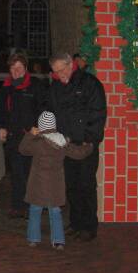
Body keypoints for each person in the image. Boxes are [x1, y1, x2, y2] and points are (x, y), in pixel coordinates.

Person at [46, 52, 106, 241]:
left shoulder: (90, 83)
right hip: (65, 144)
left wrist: (89, 139)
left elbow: (98, 113)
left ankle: (89, 226)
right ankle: (76, 222)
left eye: (62, 70)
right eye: (56, 72)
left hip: (85, 144)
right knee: (71, 185)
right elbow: (51, 112)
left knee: (86, 184)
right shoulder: (55, 87)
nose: (60, 74)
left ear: (71, 64)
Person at [19, 111, 92, 250]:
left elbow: (22, 149)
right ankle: (58, 241)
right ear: (54, 125)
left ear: (40, 126)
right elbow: (78, 153)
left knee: (35, 210)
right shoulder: (62, 142)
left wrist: (30, 134)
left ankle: (33, 239)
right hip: (55, 185)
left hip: (38, 184)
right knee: (55, 212)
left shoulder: (37, 143)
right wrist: (89, 146)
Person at [0, 51, 46, 219]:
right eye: (12, 68)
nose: (16, 71)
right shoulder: (6, 88)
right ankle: (18, 205)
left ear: (25, 67)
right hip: (13, 137)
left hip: (31, 136)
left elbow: (43, 108)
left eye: (19, 67)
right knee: (17, 173)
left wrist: (37, 127)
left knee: (32, 172)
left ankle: (34, 206)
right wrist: (1, 127)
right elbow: (1, 111)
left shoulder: (35, 85)